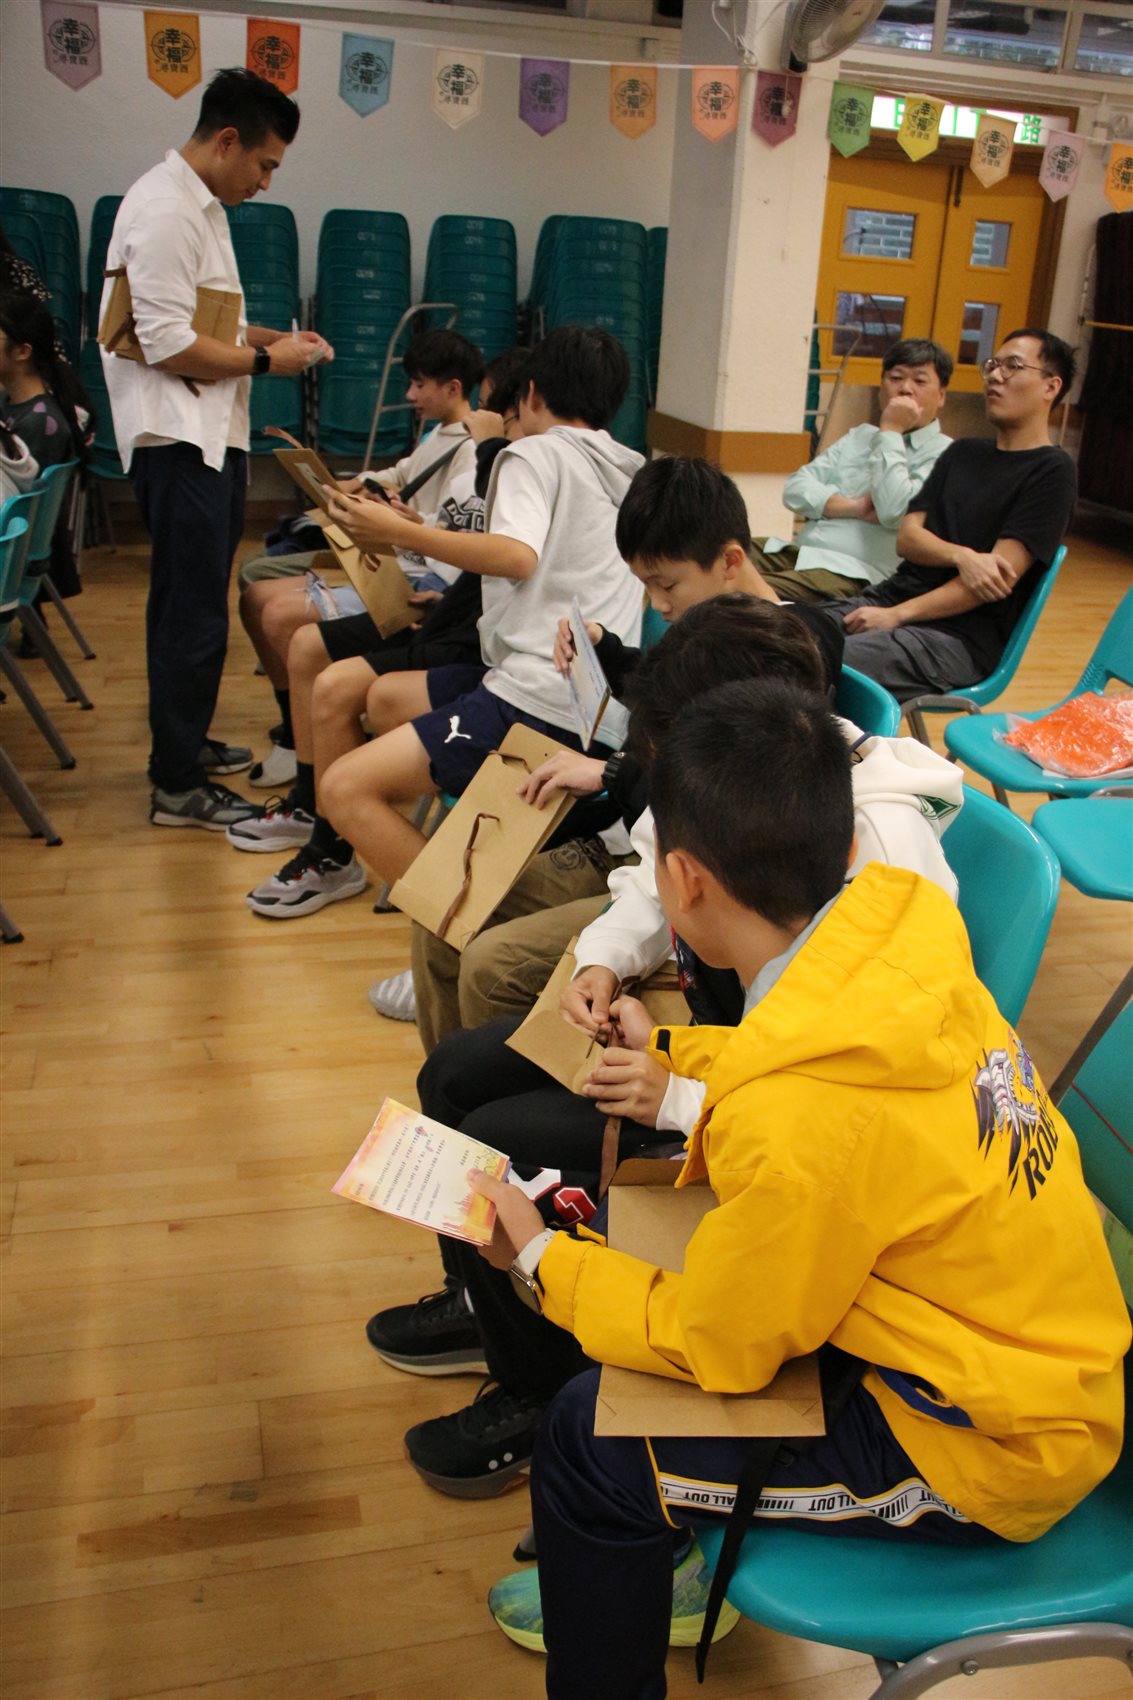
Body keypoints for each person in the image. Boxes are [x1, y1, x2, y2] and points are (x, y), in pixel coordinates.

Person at [468, 678, 1129, 1693]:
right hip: (1014, 1340)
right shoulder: (897, 918)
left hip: (983, 1443)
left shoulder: (806, 1121)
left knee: (587, 1441)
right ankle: (657, 1544)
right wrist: (675, 1057)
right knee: (620, 1271)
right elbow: (805, 1057)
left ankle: (640, 1561)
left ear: (682, 881)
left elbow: (726, 1344)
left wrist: (539, 1259)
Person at [368, 595, 965, 1497]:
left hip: (759, 1102)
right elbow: (656, 894)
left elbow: (840, 1091)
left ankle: (534, 1377)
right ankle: (489, 1300)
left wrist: (676, 1093)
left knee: (505, 1140)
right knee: (452, 1076)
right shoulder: (752, 785)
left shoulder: (878, 859)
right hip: (729, 1063)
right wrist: (605, 964)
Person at [388, 455, 845, 1050]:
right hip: (629, 842)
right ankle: (460, 1089)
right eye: (646, 586)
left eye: (666, 584)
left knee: (489, 965)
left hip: (669, 869)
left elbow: (715, 800)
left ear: (731, 561)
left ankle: (493, 1088)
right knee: (440, 912)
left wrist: (610, 771)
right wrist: (605, 652)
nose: (657, 603)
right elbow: (671, 702)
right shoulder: (715, 627)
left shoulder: (787, 651)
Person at [241, 327, 645, 920]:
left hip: (537, 700)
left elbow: (517, 556)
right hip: (596, 712)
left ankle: (472, 932)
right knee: (382, 705)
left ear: (531, 393)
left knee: (345, 788)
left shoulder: (535, 453)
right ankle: (464, 917)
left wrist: (395, 531)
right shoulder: (631, 472)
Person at [100, 67, 332, 830]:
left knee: (191, 603)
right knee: (191, 614)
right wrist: (269, 362)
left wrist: (276, 339)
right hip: (179, 439)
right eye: (264, 164)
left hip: (206, 436)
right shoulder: (166, 210)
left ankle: (186, 744)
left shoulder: (201, 205)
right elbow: (167, 343)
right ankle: (176, 785)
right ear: (227, 141)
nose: (265, 182)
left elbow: (212, 326)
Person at [231, 348, 523, 846]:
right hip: (440, 599)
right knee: (284, 619)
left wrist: (407, 535)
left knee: (308, 644)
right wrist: (407, 524)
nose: (480, 416)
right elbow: (464, 547)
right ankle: (310, 790)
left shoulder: (506, 466)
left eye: (491, 408)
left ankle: (325, 819)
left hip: (446, 610)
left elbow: (498, 563)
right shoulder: (472, 456)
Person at [819, 330, 1078, 703]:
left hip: (955, 638)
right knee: (772, 636)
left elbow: (991, 581)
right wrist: (963, 557)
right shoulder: (962, 453)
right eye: (993, 365)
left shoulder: (1052, 471)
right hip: (887, 599)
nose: (995, 375)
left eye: (1013, 366)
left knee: (808, 661)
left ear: (1050, 386)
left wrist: (898, 615)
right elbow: (908, 539)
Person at [752, 338, 953, 605]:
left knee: (741, 588)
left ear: (941, 396)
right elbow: (794, 489)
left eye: (919, 380)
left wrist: (892, 430)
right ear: (882, 387)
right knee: (714, 554)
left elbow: (892, 511)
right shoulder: (860, 436)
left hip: (854, 573)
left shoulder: (947, 454)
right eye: (896, 378)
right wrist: (855, 508)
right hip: (800, 552)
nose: (905, 389)